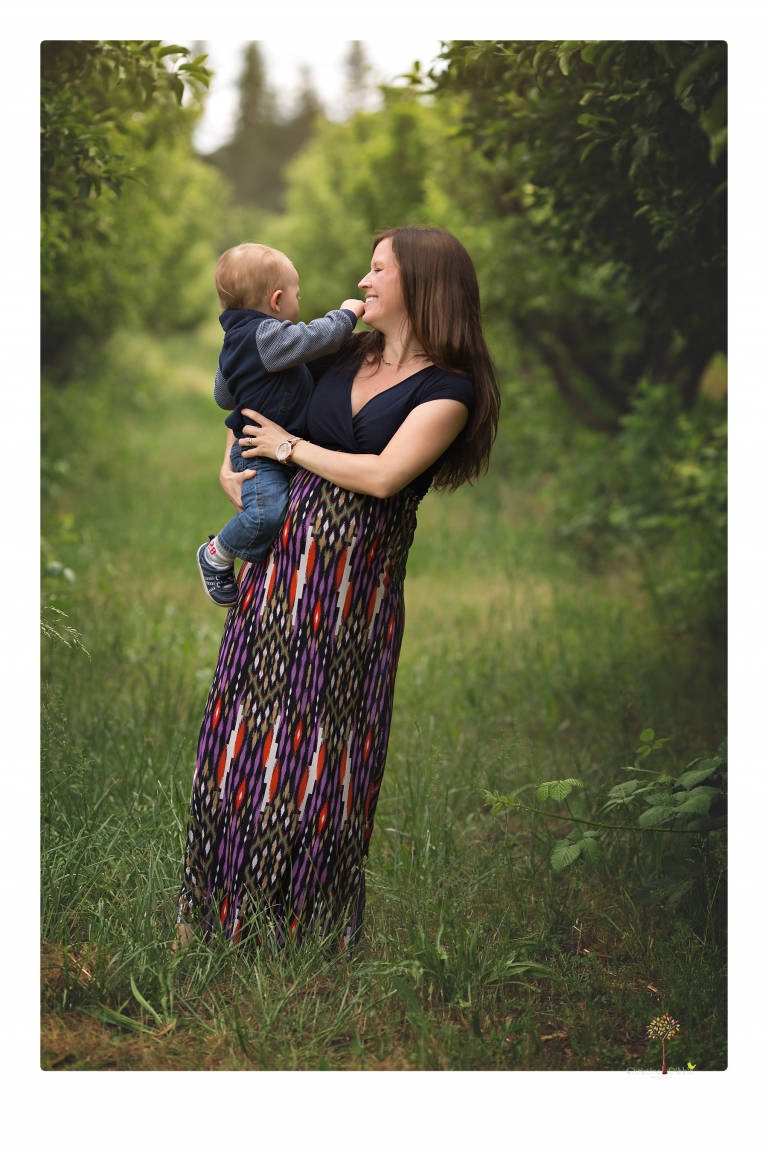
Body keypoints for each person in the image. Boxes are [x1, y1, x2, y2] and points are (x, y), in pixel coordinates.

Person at [177, 226, 500, 951]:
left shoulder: (448, 390)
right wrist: (235, 462)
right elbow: (254, 389)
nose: (363, 280)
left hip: (354, 596)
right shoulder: (340, 352)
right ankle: (213, 916)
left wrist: (290, 448)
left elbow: (383, 476)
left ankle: (304, 930)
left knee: (324, 753)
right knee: (243, 736)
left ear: (422, 284)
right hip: (279, 578)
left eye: (379, 269)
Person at [197, 242, 365, 606]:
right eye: (296, 295)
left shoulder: (234, 343)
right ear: (276, 301)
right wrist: (346, 314)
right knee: (264, 516)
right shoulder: (267, 336)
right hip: (260, 456)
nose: (297, 303)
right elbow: (315, 338)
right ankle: (216, 553)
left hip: (269, 450)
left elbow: (223, 396)